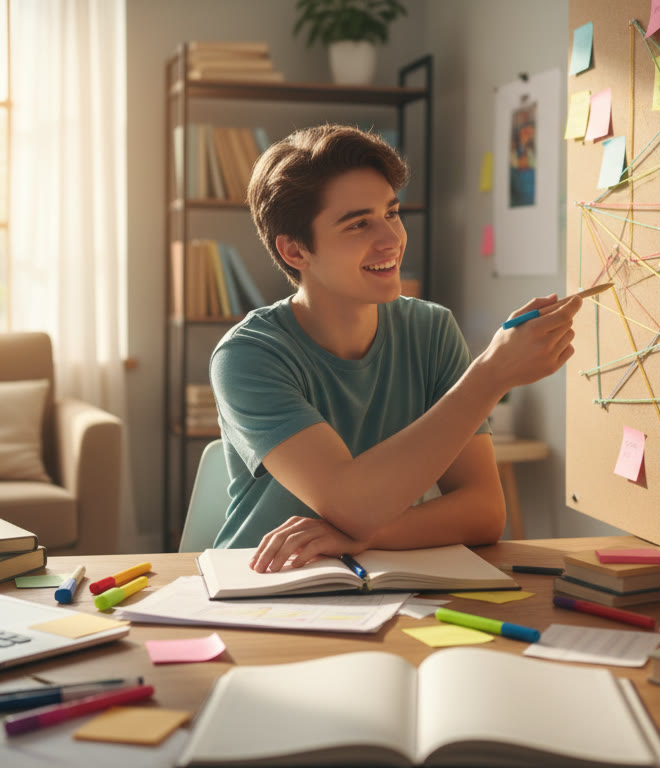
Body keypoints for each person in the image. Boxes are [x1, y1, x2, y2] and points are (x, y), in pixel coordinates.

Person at [209, 124, 579, 573]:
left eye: (392, 212)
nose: (391, 239)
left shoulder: (431, 330)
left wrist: (368, 537)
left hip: (381, 578)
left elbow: (484, 512)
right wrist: (491, 375)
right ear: (295, 252)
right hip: (262, 582)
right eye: (359, 223)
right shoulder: (248, 356)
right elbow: (351, 504)